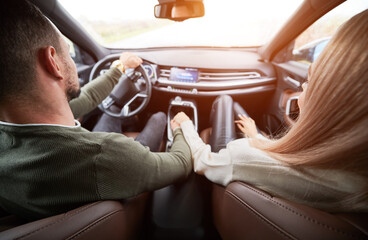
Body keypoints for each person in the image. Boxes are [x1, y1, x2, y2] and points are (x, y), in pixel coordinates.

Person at [0, 0, 192, 220]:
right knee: (158, 118)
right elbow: (182, 163)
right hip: (120, 172)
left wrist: (119, 68)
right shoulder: (105, 154)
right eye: (68, 52)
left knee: (111, 110)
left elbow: (89, 96)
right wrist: (181, 127)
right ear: (53, 61)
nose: (72, 60)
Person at [172, 9, 368, 212]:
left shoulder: (243, 156)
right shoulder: (356, 181)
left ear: (333, 101)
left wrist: (185, 125)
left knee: (224, 100)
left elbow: (204, 161)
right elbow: (291, 160)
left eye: (310, 81)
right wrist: (256, 135)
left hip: (220, 186)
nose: (302, 86)